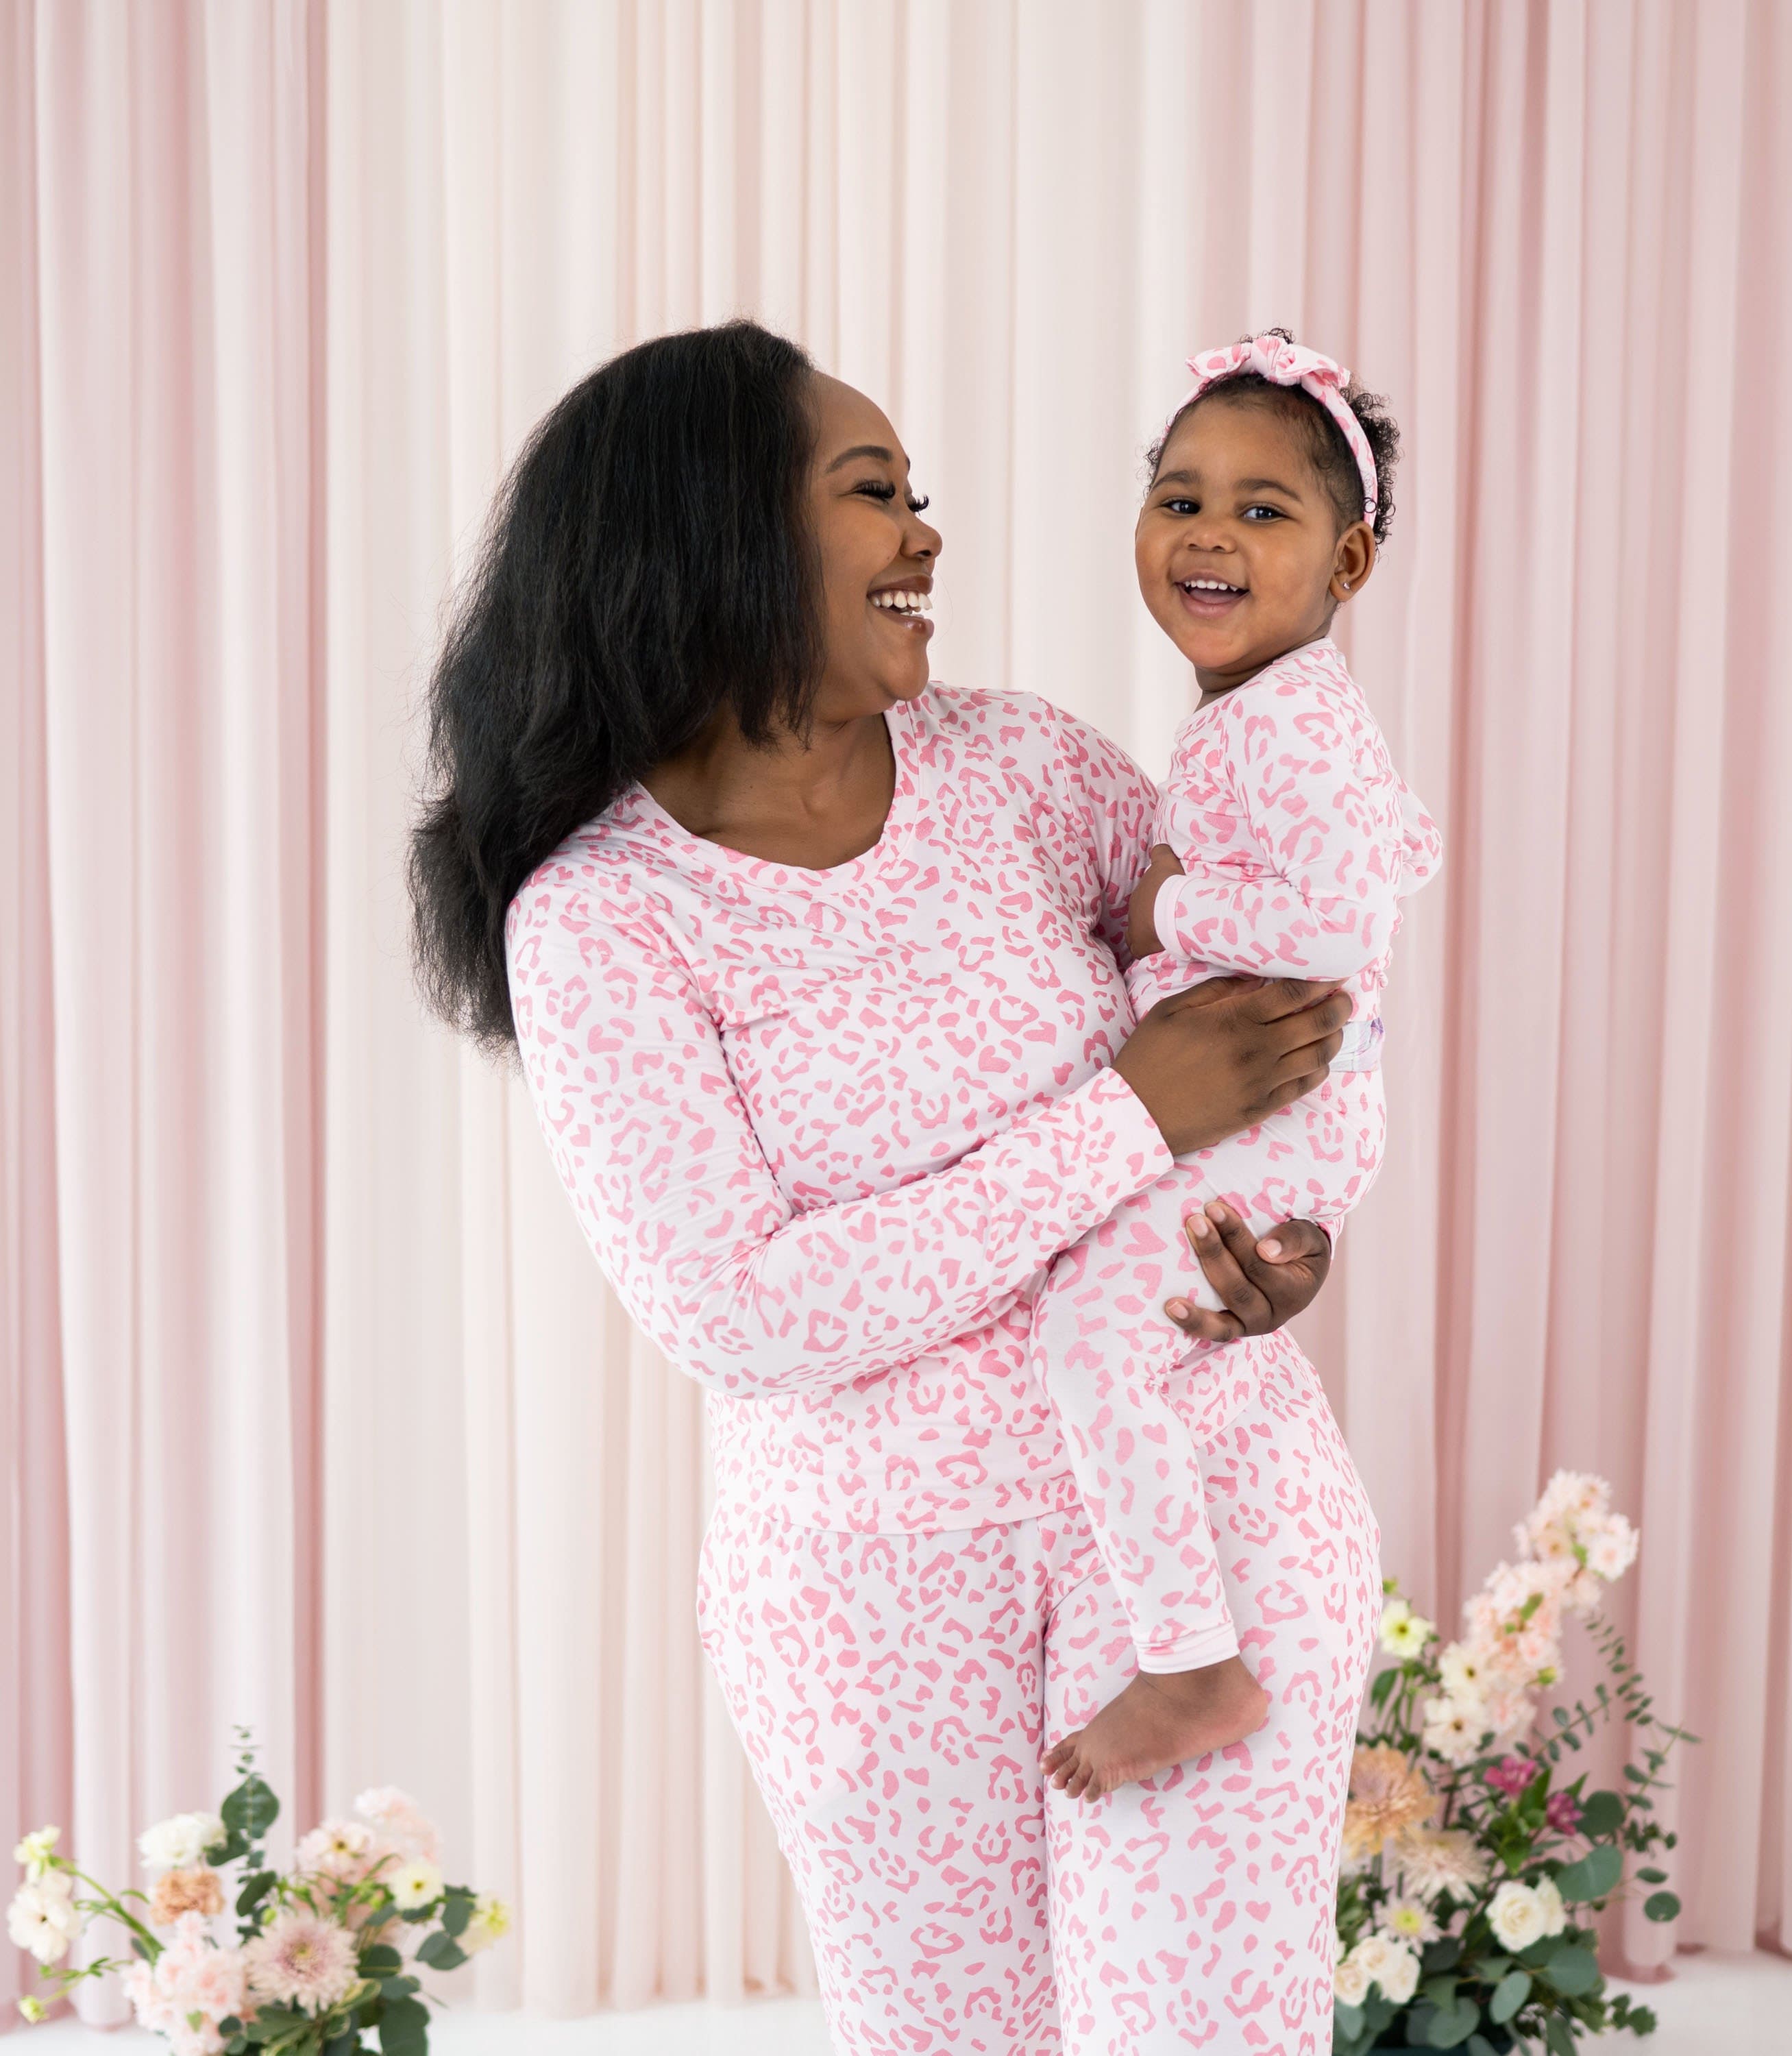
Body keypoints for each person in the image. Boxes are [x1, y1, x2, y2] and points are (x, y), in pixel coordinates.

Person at [409, 319, 1375, 2055]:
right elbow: (747, 1312)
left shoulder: (1024, 769)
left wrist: (1277, 1239)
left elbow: (1258, 996)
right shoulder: (604, 921)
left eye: (916, 493)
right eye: (875, 493)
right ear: (716, 532)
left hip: (1206, 1515)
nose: (927, 532)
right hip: (879, 1607)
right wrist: (1127, 1126)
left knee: (1209, 2032)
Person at [1035, 331, 1442, 1802]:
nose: (1210, 532)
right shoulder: (1259, 718)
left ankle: (1190, 1656)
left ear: (1347, 570)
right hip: (1284, 1109)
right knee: (1124, 1326)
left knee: (1090, 1337)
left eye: (1264, 511)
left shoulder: (1295, 723)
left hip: (1280, 1103)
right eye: (1179, 496)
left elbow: (1339, 919)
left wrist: (1163, 912)